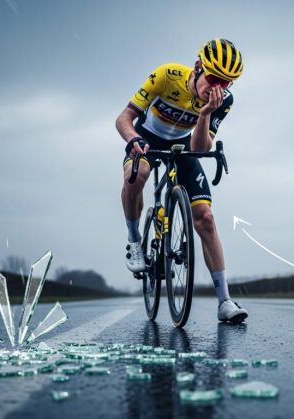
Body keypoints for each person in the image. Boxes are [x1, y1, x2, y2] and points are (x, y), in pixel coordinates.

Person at [115, 38, 248, 323]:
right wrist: (133, 138)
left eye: (226, 83)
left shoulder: (222, 102)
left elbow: (200, 148)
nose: (217, 89)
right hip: (147, 139)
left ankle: (225, 301)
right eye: (213, 79)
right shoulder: (166, 76)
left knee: (206, 217)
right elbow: (123, 118)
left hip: (185, 145)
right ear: (198, 67)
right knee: (136, 176)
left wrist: (205, 114)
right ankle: (134, 239)